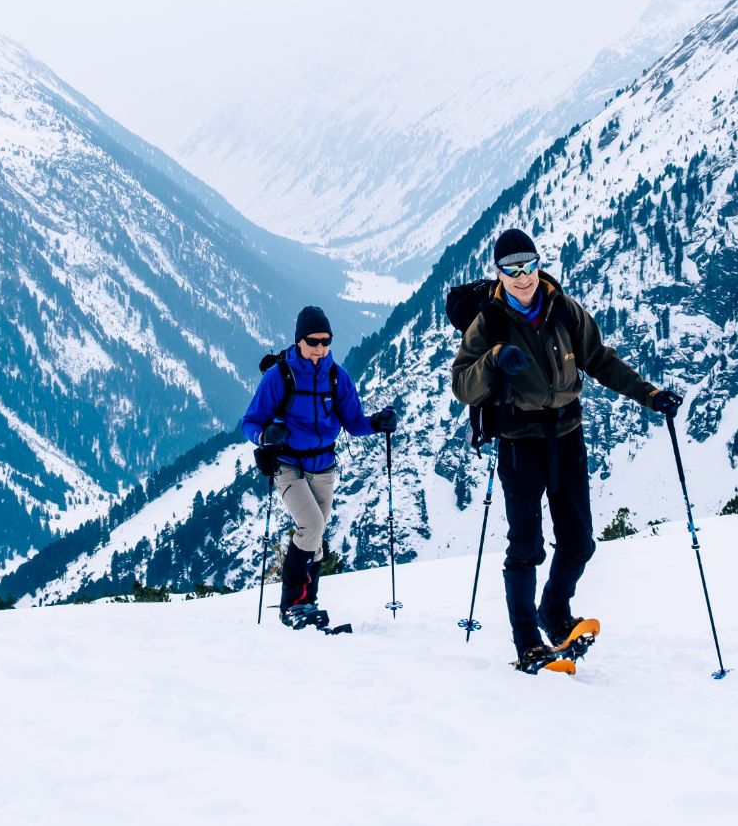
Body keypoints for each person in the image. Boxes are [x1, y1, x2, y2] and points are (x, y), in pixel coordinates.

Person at [451, 227, 684, 670]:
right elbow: (463, 385)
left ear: (539, 264)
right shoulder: (489, 322)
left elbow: (600, 360)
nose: (523, 277)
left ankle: (553, 612)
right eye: (512, 269)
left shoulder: (564, 310)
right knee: (526, 545)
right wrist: (495, 357)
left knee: (578, 541)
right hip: (520, 440)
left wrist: (650, 395)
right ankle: (527, 642)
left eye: (529, 266)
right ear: (499, 273)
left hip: (567, 433)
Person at [242, 305, 397, 625]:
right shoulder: (279, 376)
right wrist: (264, 435)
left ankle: (307, 604)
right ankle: (292, 604)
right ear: (299, 340)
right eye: (313, 341)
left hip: (324, 465)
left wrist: (377, 423)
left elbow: (353, 423)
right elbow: (249, 422)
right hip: (287, 463)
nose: (320, 347)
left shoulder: (337, 377)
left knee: (315, 536)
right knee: (311, 526)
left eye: (326, 341)